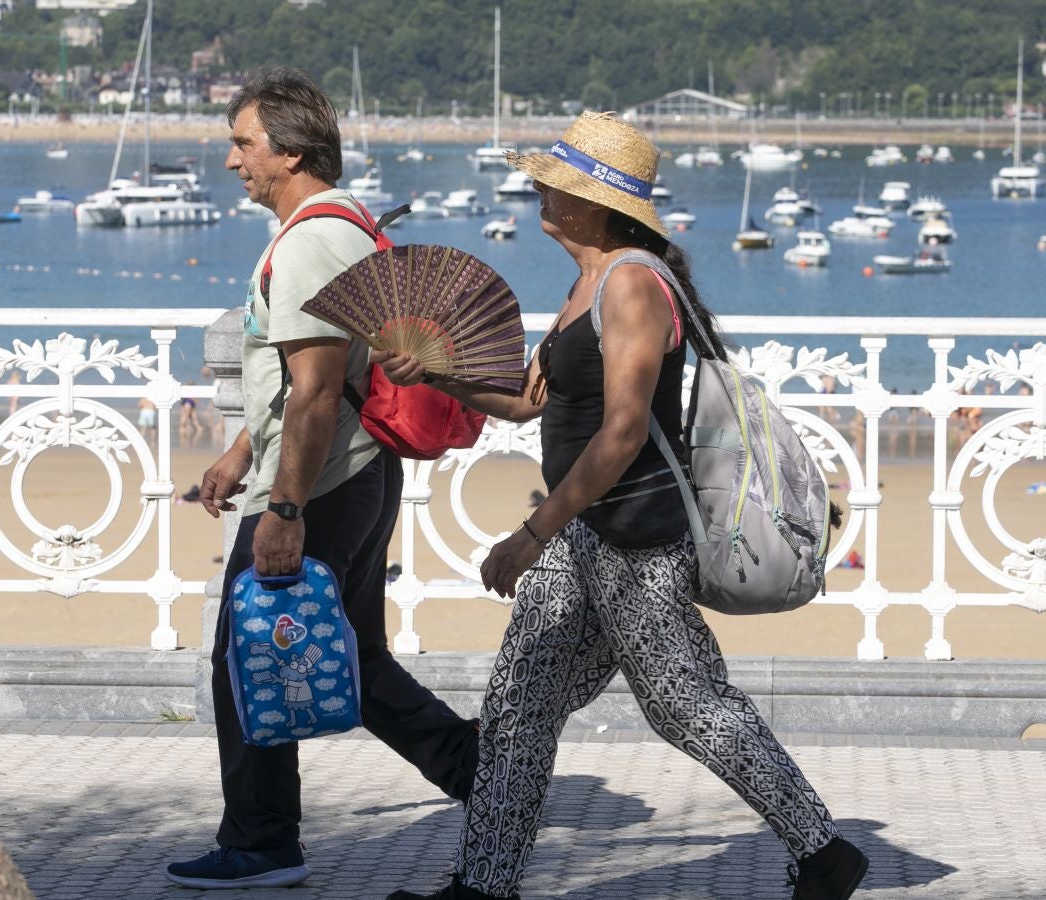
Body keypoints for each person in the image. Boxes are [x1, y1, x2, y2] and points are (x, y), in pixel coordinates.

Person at [380, 112, 867, 900]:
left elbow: (621, 431)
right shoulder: (586, 284)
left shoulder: (632, 282)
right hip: (583, 534)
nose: (539, 189)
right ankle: (483, 886)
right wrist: (430, 373)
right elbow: (526, 402)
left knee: (687, 708)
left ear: (594, 202)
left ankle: (823, 852)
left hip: (634, 538)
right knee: (517, 707)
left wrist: (531, 533)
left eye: (557, 182)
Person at [164, 67, 479, 891]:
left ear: (292, 151)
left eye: (243, 143)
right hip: (361, 472)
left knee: (244, 655)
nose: (230, 160)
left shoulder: (307, 241)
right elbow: (308, 378)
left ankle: (262, 841)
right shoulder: (347, 225)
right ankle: (482, 771)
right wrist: (239, 453)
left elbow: (312, 391)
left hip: (323, 481)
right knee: (357, 652)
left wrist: (284, 509)